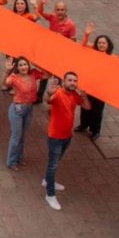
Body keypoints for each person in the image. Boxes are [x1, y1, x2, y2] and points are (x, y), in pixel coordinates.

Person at [43, 72, 91, 211]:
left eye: (75, 81)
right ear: (63, 81)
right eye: (69, 80)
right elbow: (48, 99)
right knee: (53, 165)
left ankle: (47, 180)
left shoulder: (75, 95)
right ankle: (50, 195)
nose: (72, 83)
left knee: (55, 162)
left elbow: (87, 107)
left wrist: (84, 96)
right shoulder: (58, 93)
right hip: (55, 137)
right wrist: (48, 92)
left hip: (67, 136)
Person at [75, 24, 112, 140]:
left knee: (97, 110)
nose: (101, 45)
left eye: (103, 43)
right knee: (85, 106)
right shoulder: (92, 51)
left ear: (108, 45)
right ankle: (83, 125)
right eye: (99, 43)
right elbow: (83, 45)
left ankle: (95, 130)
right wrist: (86, 34)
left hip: (101, 89)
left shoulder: (112, 58)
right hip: (88, 85)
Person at [2, 56, 38, 171]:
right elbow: (4, 84)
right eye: (21, 65)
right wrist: (7, 71)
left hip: (29, 108)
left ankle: (19, 158)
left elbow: (47, 75)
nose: (23, 67)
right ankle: (11, 162)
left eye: (25, 64)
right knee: (16, 136)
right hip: (17, 110)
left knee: (22, 135)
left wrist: (38, 63)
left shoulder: (33, 75)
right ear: (17, 67)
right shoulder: (14, 77)